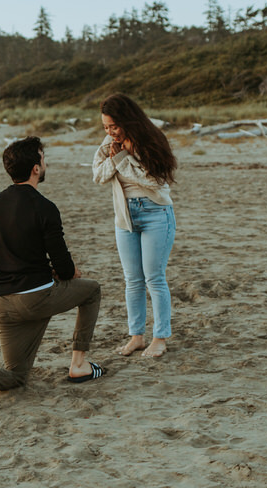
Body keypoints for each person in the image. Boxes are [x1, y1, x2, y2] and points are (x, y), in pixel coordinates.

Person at [0, 136, 104, 415]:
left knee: (17, 376)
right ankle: (79, 364)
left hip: (3, 302)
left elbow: (14, 253)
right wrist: (69, 272)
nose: (46, 164)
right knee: (91, 289)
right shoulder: (45, 207)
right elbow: (65, 267)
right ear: (35, 168)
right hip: (36, 297)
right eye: (43, 159)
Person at [92, 94, 177, 358]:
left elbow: (152, 180)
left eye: (114, 126)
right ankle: (136, 337)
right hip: (125, 217)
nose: (110, 132)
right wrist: (116, 159)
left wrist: (121, 160)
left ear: (128, 120)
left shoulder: (150, 141)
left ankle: (160, 338)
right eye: (106, 127)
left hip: (155, 214)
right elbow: (98, 176)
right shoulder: (109, 144)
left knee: (154, 279)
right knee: (133, 281)